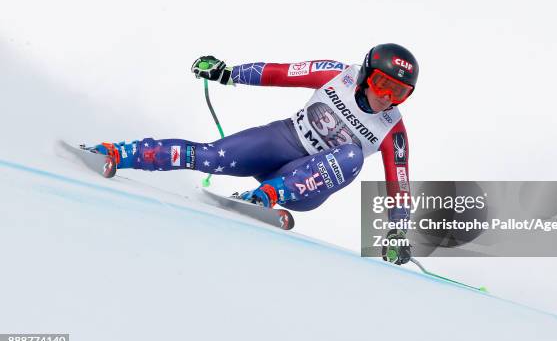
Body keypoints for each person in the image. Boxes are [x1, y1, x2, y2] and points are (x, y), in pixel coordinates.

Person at [91, 43, 418, 265]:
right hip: (282, 141)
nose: (387, 98)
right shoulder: (337, 73)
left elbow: (398, 186)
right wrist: (229, 73)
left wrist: (396, 232)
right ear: (364, 75)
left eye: (400, 92)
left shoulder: (393, 129)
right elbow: (280, 72)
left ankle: (265, 196)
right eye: (381, 84)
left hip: (304, 184)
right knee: (212, 157)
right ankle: (120, 153)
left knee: (352, 156)